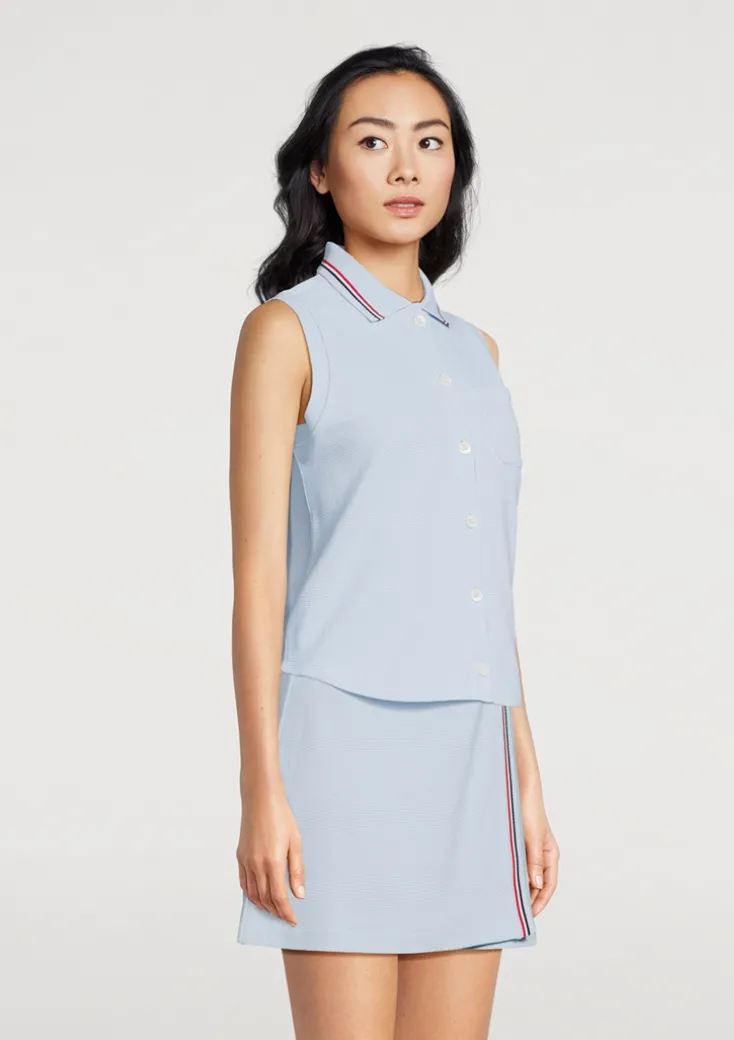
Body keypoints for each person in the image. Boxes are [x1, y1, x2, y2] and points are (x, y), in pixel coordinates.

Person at [228, 43, 559, 1040]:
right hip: (342, 752)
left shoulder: (478, 354)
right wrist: (261, 786)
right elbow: (258, 580)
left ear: (456, 168)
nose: (407, 166)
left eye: (431, 142)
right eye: (373, 142)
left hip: (471, 756)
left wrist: (526, 778)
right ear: (322, 171)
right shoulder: (288, 332)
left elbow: (483, 583)